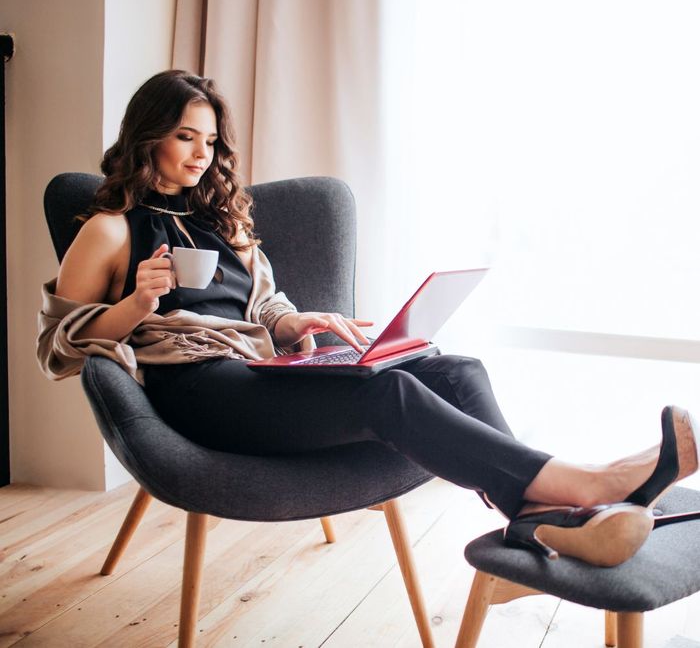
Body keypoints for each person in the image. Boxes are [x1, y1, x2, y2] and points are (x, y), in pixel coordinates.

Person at [38, 70, 699, 568]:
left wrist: (299, 323)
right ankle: (584, 485)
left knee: (456, 367)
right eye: (185, 136)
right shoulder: (109, 230)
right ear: (147, 132)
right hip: (196, 393)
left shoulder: (223, 219)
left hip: (255, 373)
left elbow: (265, 306)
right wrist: (134, 307)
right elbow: (58, 349)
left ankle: (531, 516)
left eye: (210, 141)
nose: (200, 154)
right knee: (386, 391)